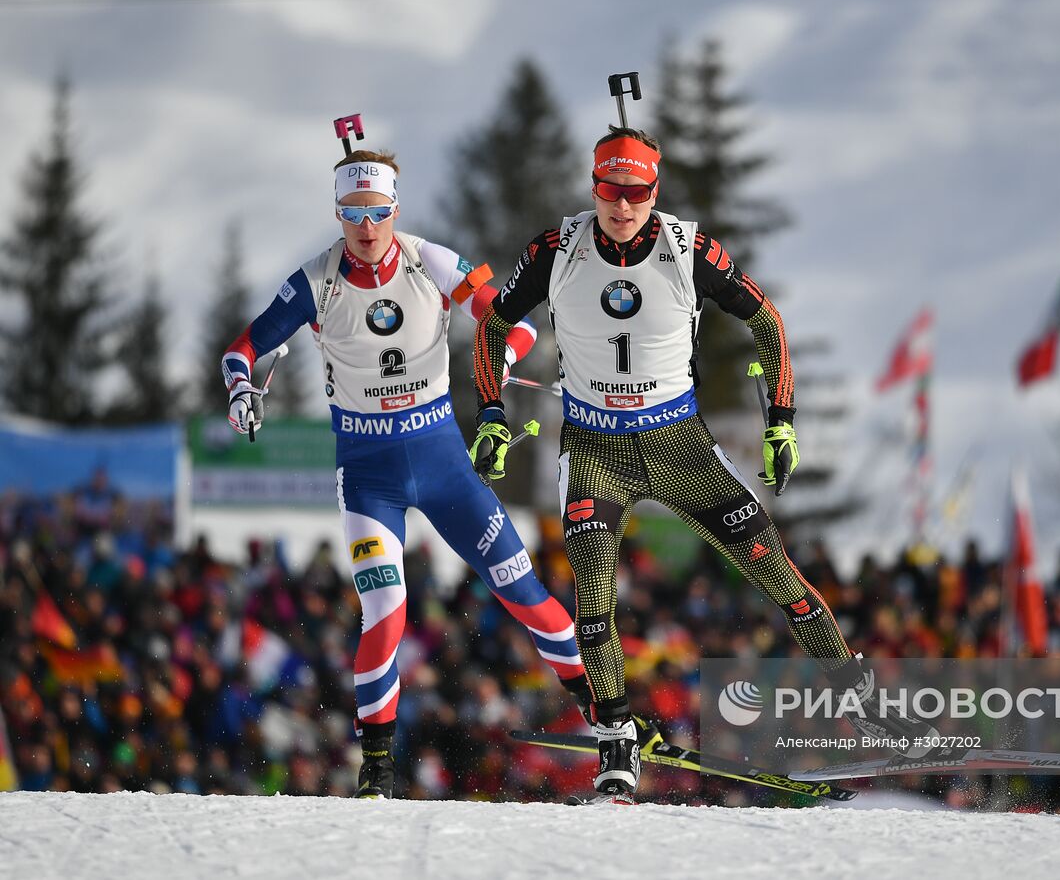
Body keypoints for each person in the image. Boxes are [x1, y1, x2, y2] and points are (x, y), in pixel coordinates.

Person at [470, 125, 928, 800]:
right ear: (593, 185)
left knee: (777, 570)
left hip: (679, 444)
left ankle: (855, 695)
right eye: (609, 189)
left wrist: (781, 421)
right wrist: (489, 412)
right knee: (592, 595)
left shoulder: (687, 249)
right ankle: (617, 738)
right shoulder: (556, 249)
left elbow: (767, 320)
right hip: (596, 450)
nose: (622, 206)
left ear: (655, 191)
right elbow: (492, 323)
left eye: (637, 192)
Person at [220, 145, 591, 799]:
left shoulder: (432, 260)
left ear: (395, 208)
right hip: (369, 478)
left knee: (522, 589)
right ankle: (377, 767)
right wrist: (242, 390)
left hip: (443, 464)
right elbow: (243, 349)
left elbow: (516, 325)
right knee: (386, 608)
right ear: (338, 213)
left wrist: (500, 353)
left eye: (378, 212)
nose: (366, 228)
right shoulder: (316, 280)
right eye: (352, 213)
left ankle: (604, 715)